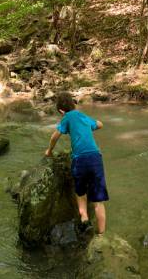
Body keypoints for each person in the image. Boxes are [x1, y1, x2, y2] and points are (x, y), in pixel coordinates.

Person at [45, 91, 108, 235]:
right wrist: (90, 127)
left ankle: (85, 220)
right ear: (74, 104)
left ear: (61, 111)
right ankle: (101, 234)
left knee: (80, 193)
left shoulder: (67, 117)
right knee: (99, 201)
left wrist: (49, 150)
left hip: (80, 160)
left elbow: (55, 136)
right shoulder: (82, 116)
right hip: (95, 158)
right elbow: (100, 124)